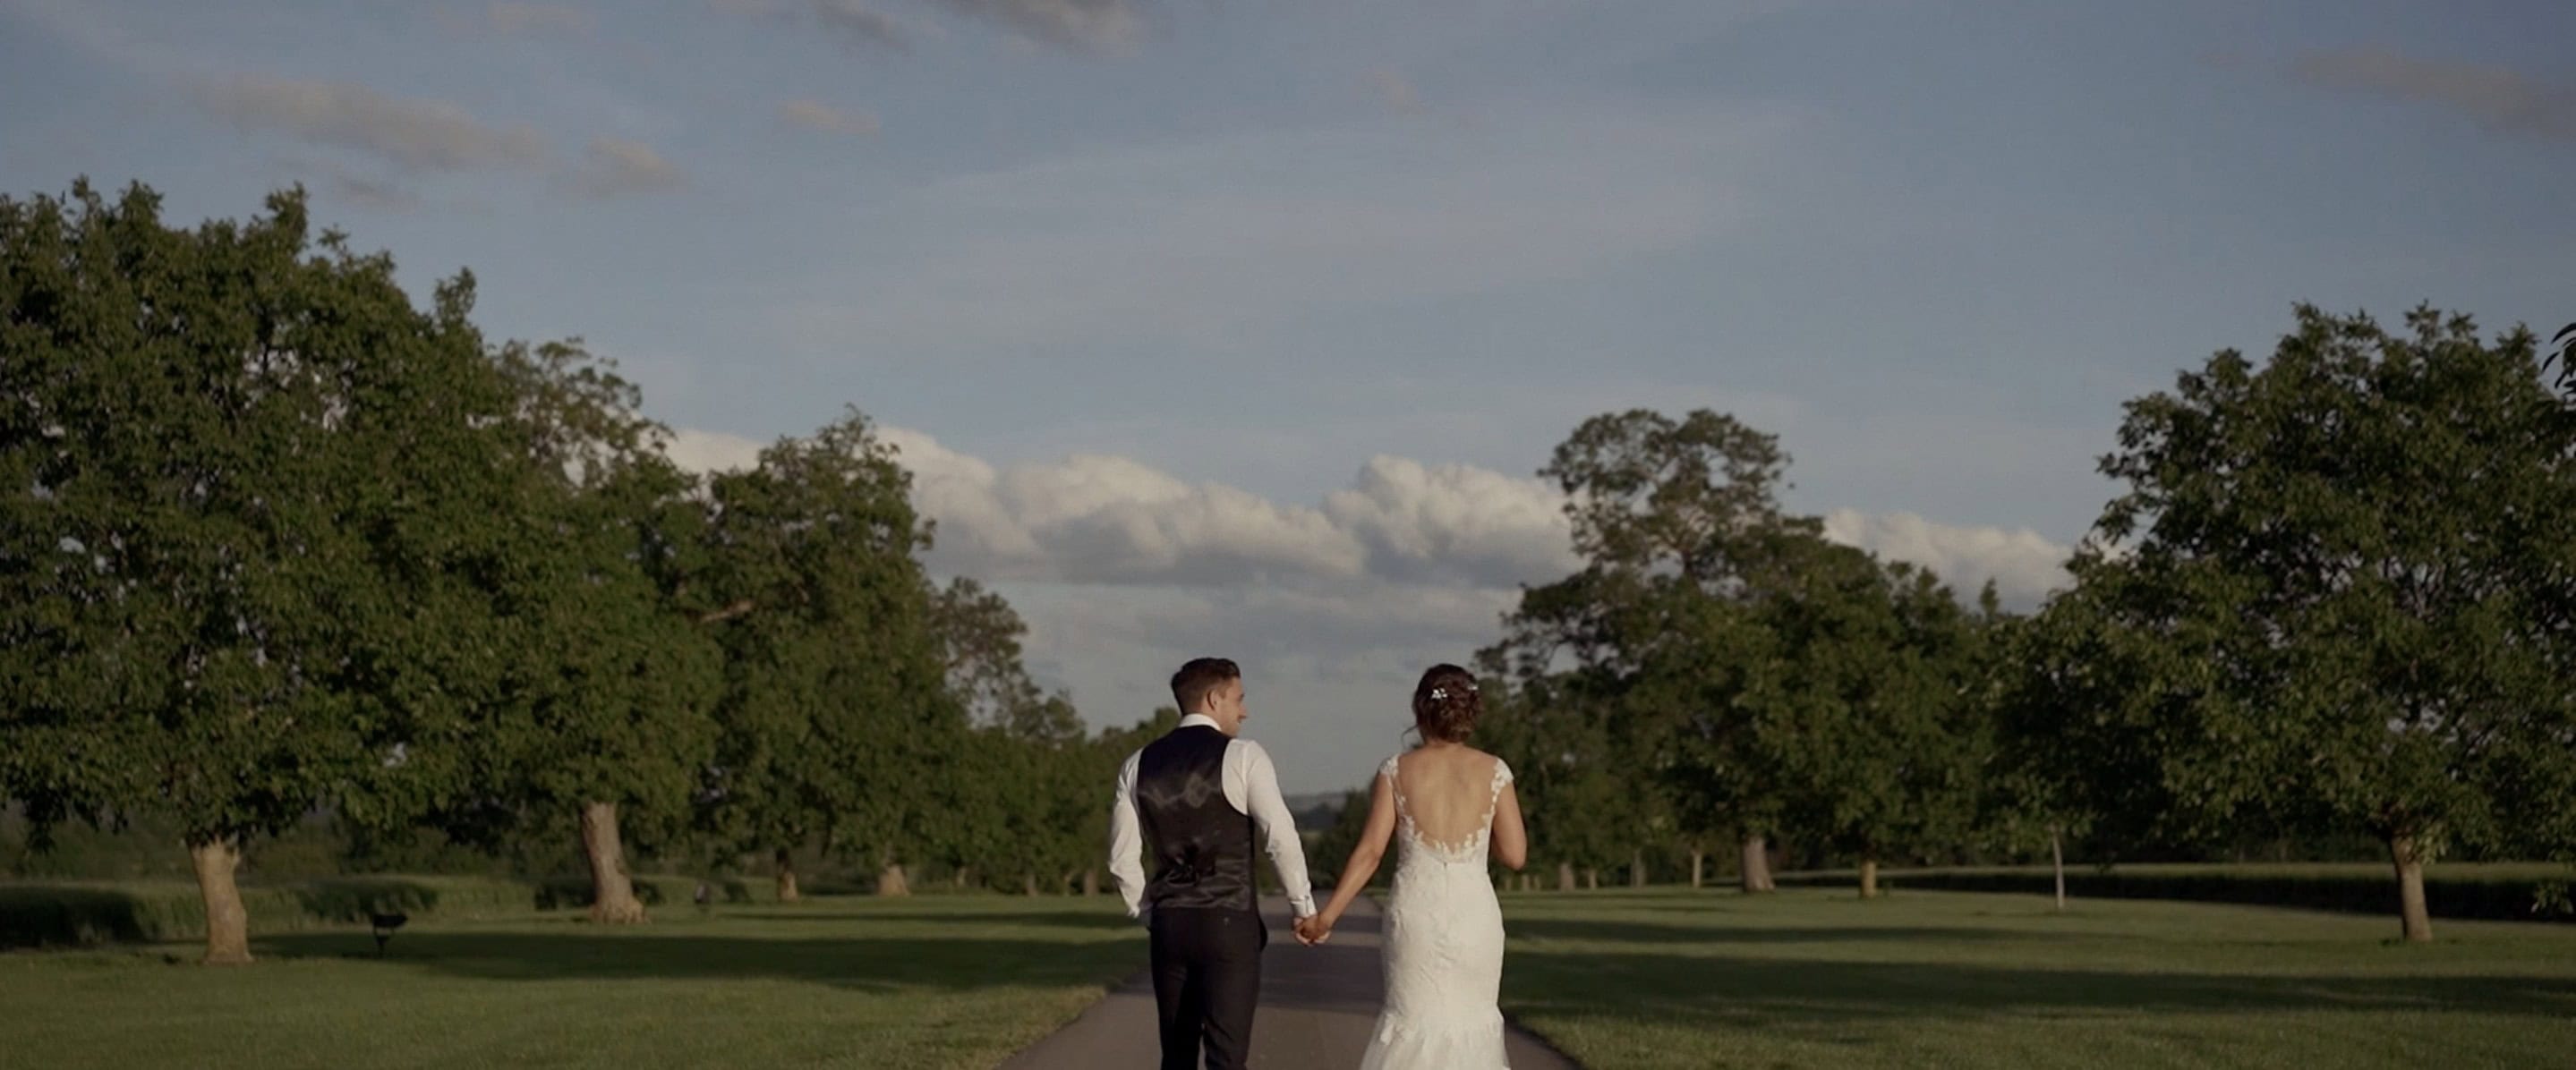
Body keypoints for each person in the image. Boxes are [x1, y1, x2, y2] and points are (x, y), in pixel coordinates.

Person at [1297, 663, 1528, 1069]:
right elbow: (1515, 855)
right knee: (1472, 1023)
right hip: (1475, 915)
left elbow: (1370, 852)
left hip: (1416, 912)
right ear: (1471, 713)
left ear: (1420, 712)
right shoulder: (1495, 771)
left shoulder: (1396, 770)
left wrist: (1327, 916)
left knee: (1413, 1020)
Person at [1107, 657, 1319, 1070]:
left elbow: (1120, 858)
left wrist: (1147, 911)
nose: (1244, 710)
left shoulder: (1137, 764)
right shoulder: (1243, 756)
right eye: (1239, 699)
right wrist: (1303, 908)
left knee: (1177, 1054)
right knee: (1226, 1057)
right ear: (1213, 698)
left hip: (1170, 924)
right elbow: (1280, 836)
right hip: (1229, 921)